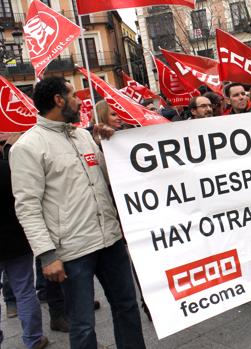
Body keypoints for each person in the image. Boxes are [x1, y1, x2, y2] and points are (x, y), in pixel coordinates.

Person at [10, 77, 146, 349]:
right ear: (59, 100)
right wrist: (47, 255)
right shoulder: (27, 147)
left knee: (127, 308)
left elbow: (108, 177)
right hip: (73, 251)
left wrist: (111, 146)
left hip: (110, 240)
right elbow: (27, 207)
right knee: (83, 326)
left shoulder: (84, 135)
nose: (79, 100)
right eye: (72, 95)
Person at [1, 135, 48, 349]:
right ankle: (33, 339)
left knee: (23, 290)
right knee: (25, 290)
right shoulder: (8, 170)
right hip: (16, 241)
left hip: (15, 241)